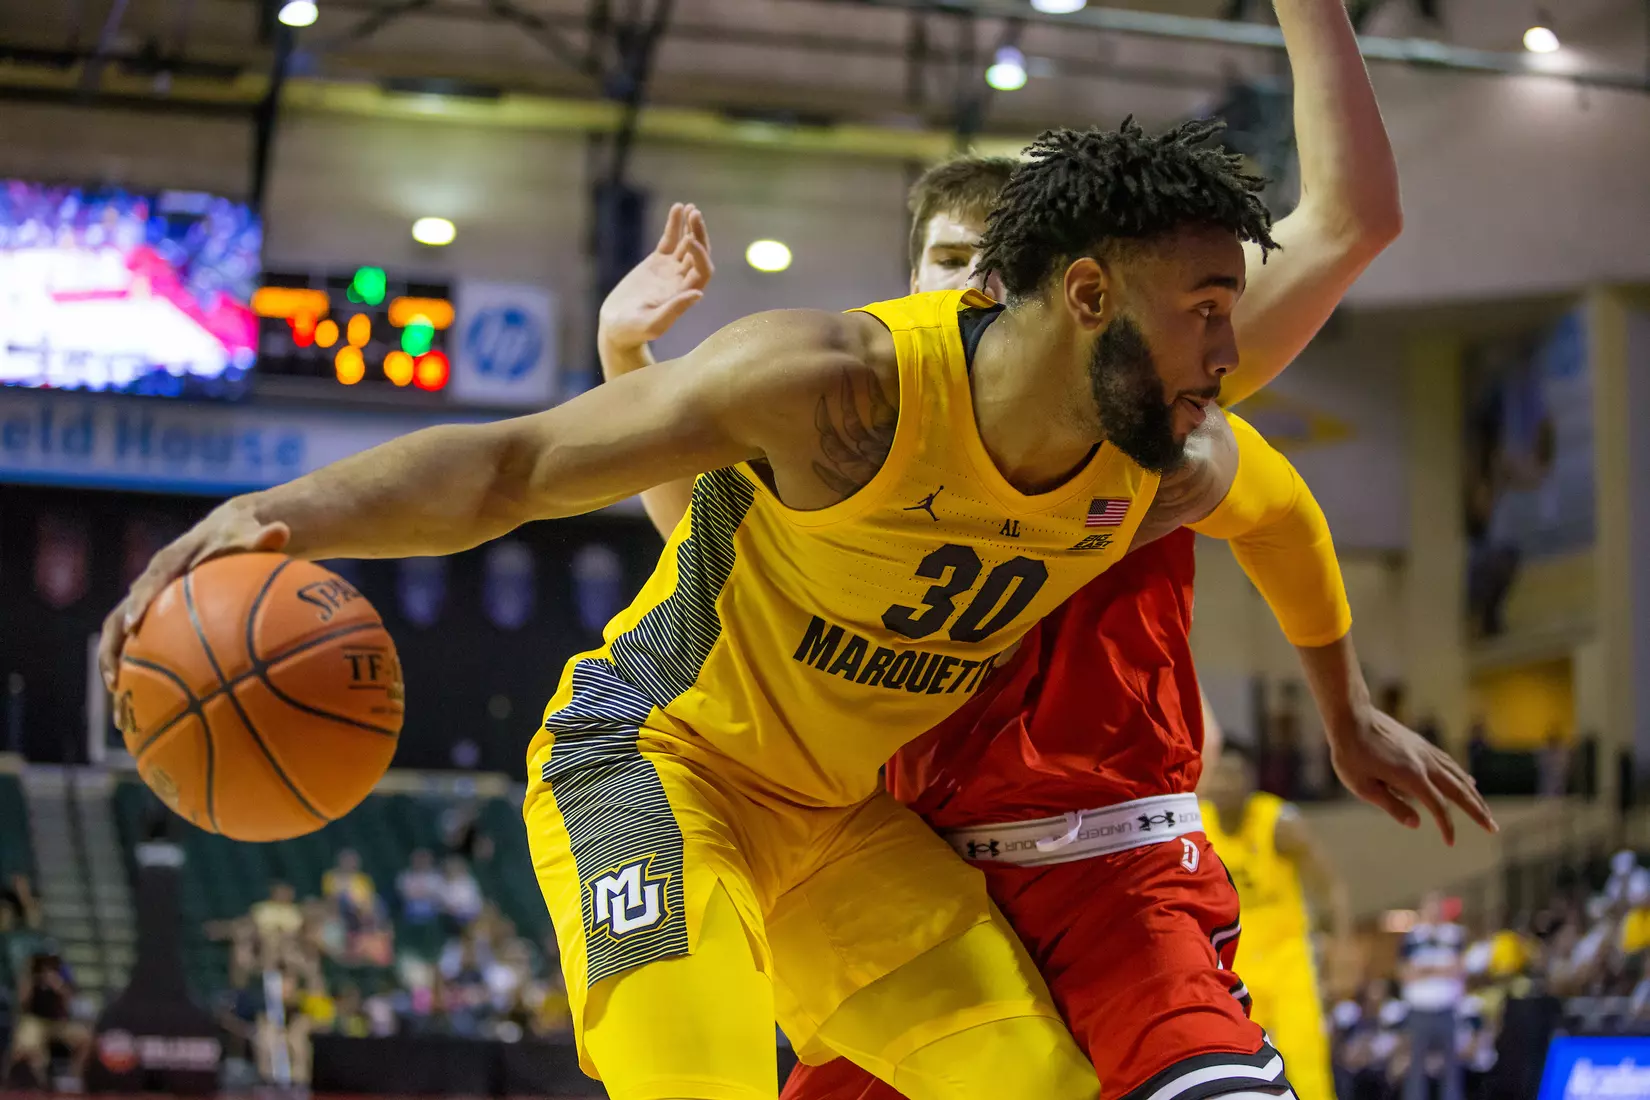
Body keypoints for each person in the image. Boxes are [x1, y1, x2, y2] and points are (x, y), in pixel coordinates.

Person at [104, 100, 1489, 1098]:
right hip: (650, 768)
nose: (1227, 347)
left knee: (1040, 1084)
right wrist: (279, 516)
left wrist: (1346, 706)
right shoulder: (837, 388)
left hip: (837, 822)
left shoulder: (1164, 457)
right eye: (1201, 311)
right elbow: (518, 466)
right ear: (1083, 299)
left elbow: (1288, 517)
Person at [591, 5, 1490, 1099]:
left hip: (1112, 870)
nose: (971, 280)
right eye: (947, 258)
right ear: (904, 281)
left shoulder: (1140, 396)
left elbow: (1351, 225)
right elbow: (702, 542)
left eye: (995, 259)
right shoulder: (861, 430)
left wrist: (1343, 711)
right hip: (922, 896)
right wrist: (624, 350)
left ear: (1067, 289)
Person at [1200, 743, 1352, 1100]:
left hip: (1287, 960)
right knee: (1234, 1064)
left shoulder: (1280, 824)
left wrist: (1343, 950)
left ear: (1250, 782)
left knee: (1305, 1059)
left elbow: (1330, 887)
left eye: (1234, 775)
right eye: (1219, 774)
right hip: (1232, 965)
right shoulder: (1198, 823)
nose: (1225, 784)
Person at [1398, 892, 1467, 1100]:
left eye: (1437, 907)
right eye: (1429, 907)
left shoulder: (1454, 935)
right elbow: (1406, 974)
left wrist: (1424, 970)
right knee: (1415, 1067)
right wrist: (1440, 969)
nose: (1433, 912)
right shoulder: (1412, 937)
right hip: (1419, 1011)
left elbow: (1458, 968)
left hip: (1447, 1009)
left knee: (1452, 1067)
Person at [3, 950, 91, 1088]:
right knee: (26, 1048)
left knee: (85, 1038)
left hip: (57, 1023)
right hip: (35, 1021)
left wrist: (56, 984)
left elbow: (70, 1001)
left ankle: (75, 1078)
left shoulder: (59, 978)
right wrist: (30, 979)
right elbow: (22, 1002)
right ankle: (40, 1084)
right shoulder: (30, 979)